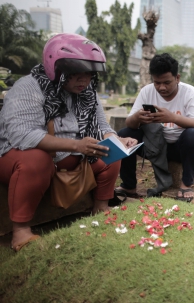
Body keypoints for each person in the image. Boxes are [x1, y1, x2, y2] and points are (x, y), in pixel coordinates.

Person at [0, 33, 137, 251]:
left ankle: (101, 207)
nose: (84, 81)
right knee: (36, 160)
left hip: (74, 157)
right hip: (18, 155)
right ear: (56, 69)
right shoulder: (29, 87)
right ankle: (20, 231)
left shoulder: (87, 93)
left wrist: (118, 140)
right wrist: (77, 145)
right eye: (75, 74)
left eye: (89, 75)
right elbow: (22, 136)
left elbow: (102, 127)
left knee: (111, 153)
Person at [115, 53, 194, 201]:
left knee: (192, 135)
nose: (161, 87)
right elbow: (129, 123)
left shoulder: (190, 92)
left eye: (167, 82)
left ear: (177, 78)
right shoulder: (147, 91)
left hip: (181, 147)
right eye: (157, 82)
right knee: (125, 134)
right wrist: (138, 117)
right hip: (155, 145)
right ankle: (129, 185)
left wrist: (173, 118)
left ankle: (185, 184)